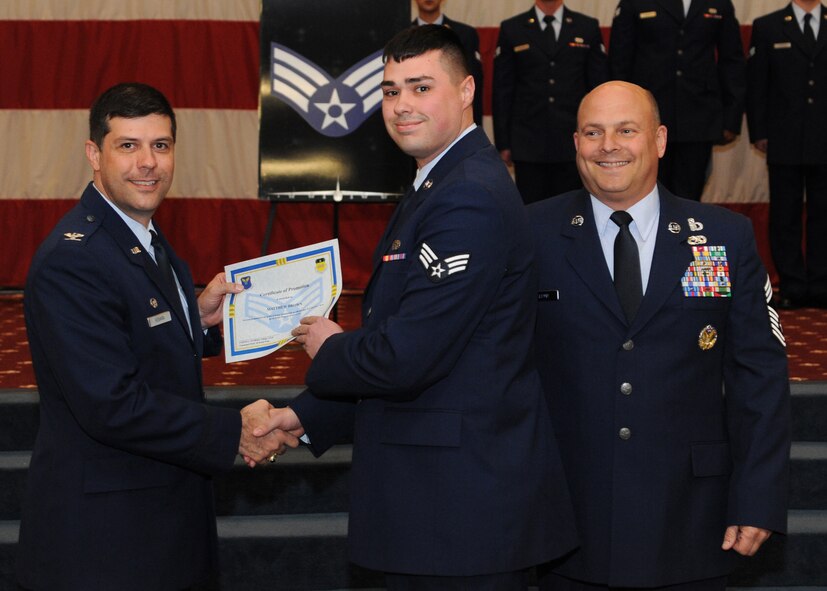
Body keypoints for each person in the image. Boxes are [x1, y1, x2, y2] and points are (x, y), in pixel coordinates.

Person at [255, 25, 578, 590]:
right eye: (389, 90)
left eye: (420, 87)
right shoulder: (442, 183)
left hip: (461, 509)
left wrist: (330, 347)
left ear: (466, 91)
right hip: (442, 505)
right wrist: (309, 416)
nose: (401, 105)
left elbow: (407, 355)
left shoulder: (468, 195)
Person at [16, 82, 298, 591]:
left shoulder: (143, 236)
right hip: (106, 544)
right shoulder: (74, 259)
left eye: (160, 146)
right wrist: (231, 430)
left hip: (158, 519)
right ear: (93, 155)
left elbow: (137, 334)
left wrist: (198, 318)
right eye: (128, 146)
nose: (148, 162)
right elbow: (111, 403)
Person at [529, 81, 790, 590]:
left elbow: (758, 378)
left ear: (660, 140)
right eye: (592, 132)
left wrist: (757, 497)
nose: (609, 145)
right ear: (575, 143)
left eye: (627, 130)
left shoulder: (719, 237)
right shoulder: (531, 234)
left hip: (693, 521)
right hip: (568, 522)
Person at [609, 0, 747, 202]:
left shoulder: (719, 3)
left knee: (689, 198)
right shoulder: (633, 3)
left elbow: (732, 61)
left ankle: (684, 235)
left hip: (699, 118)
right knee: (645, 193)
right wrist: (619, 117)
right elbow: (619, 63)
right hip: (647, 118)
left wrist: (731, 120)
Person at [746, 0, 827, 309]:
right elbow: (757, 83)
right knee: (785, 215)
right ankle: (791, 284)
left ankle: (821, 283)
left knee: (824, 213)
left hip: (824, 137)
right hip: (784, 137)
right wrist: (759, 131)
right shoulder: (767, 25)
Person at [493, 0, 608, 203]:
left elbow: (598, 91)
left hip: (574, 142)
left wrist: (598, 135)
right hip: (528, 143)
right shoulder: (512, 28)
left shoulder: (586, 26)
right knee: (531, 212)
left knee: (573, 208)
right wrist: (503, 142)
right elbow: (502, 90)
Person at [413, 0, 485, 125]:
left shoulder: (464, 34)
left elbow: (474, 86)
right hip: (414, 117)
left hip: (453, 121)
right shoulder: (400, 33)